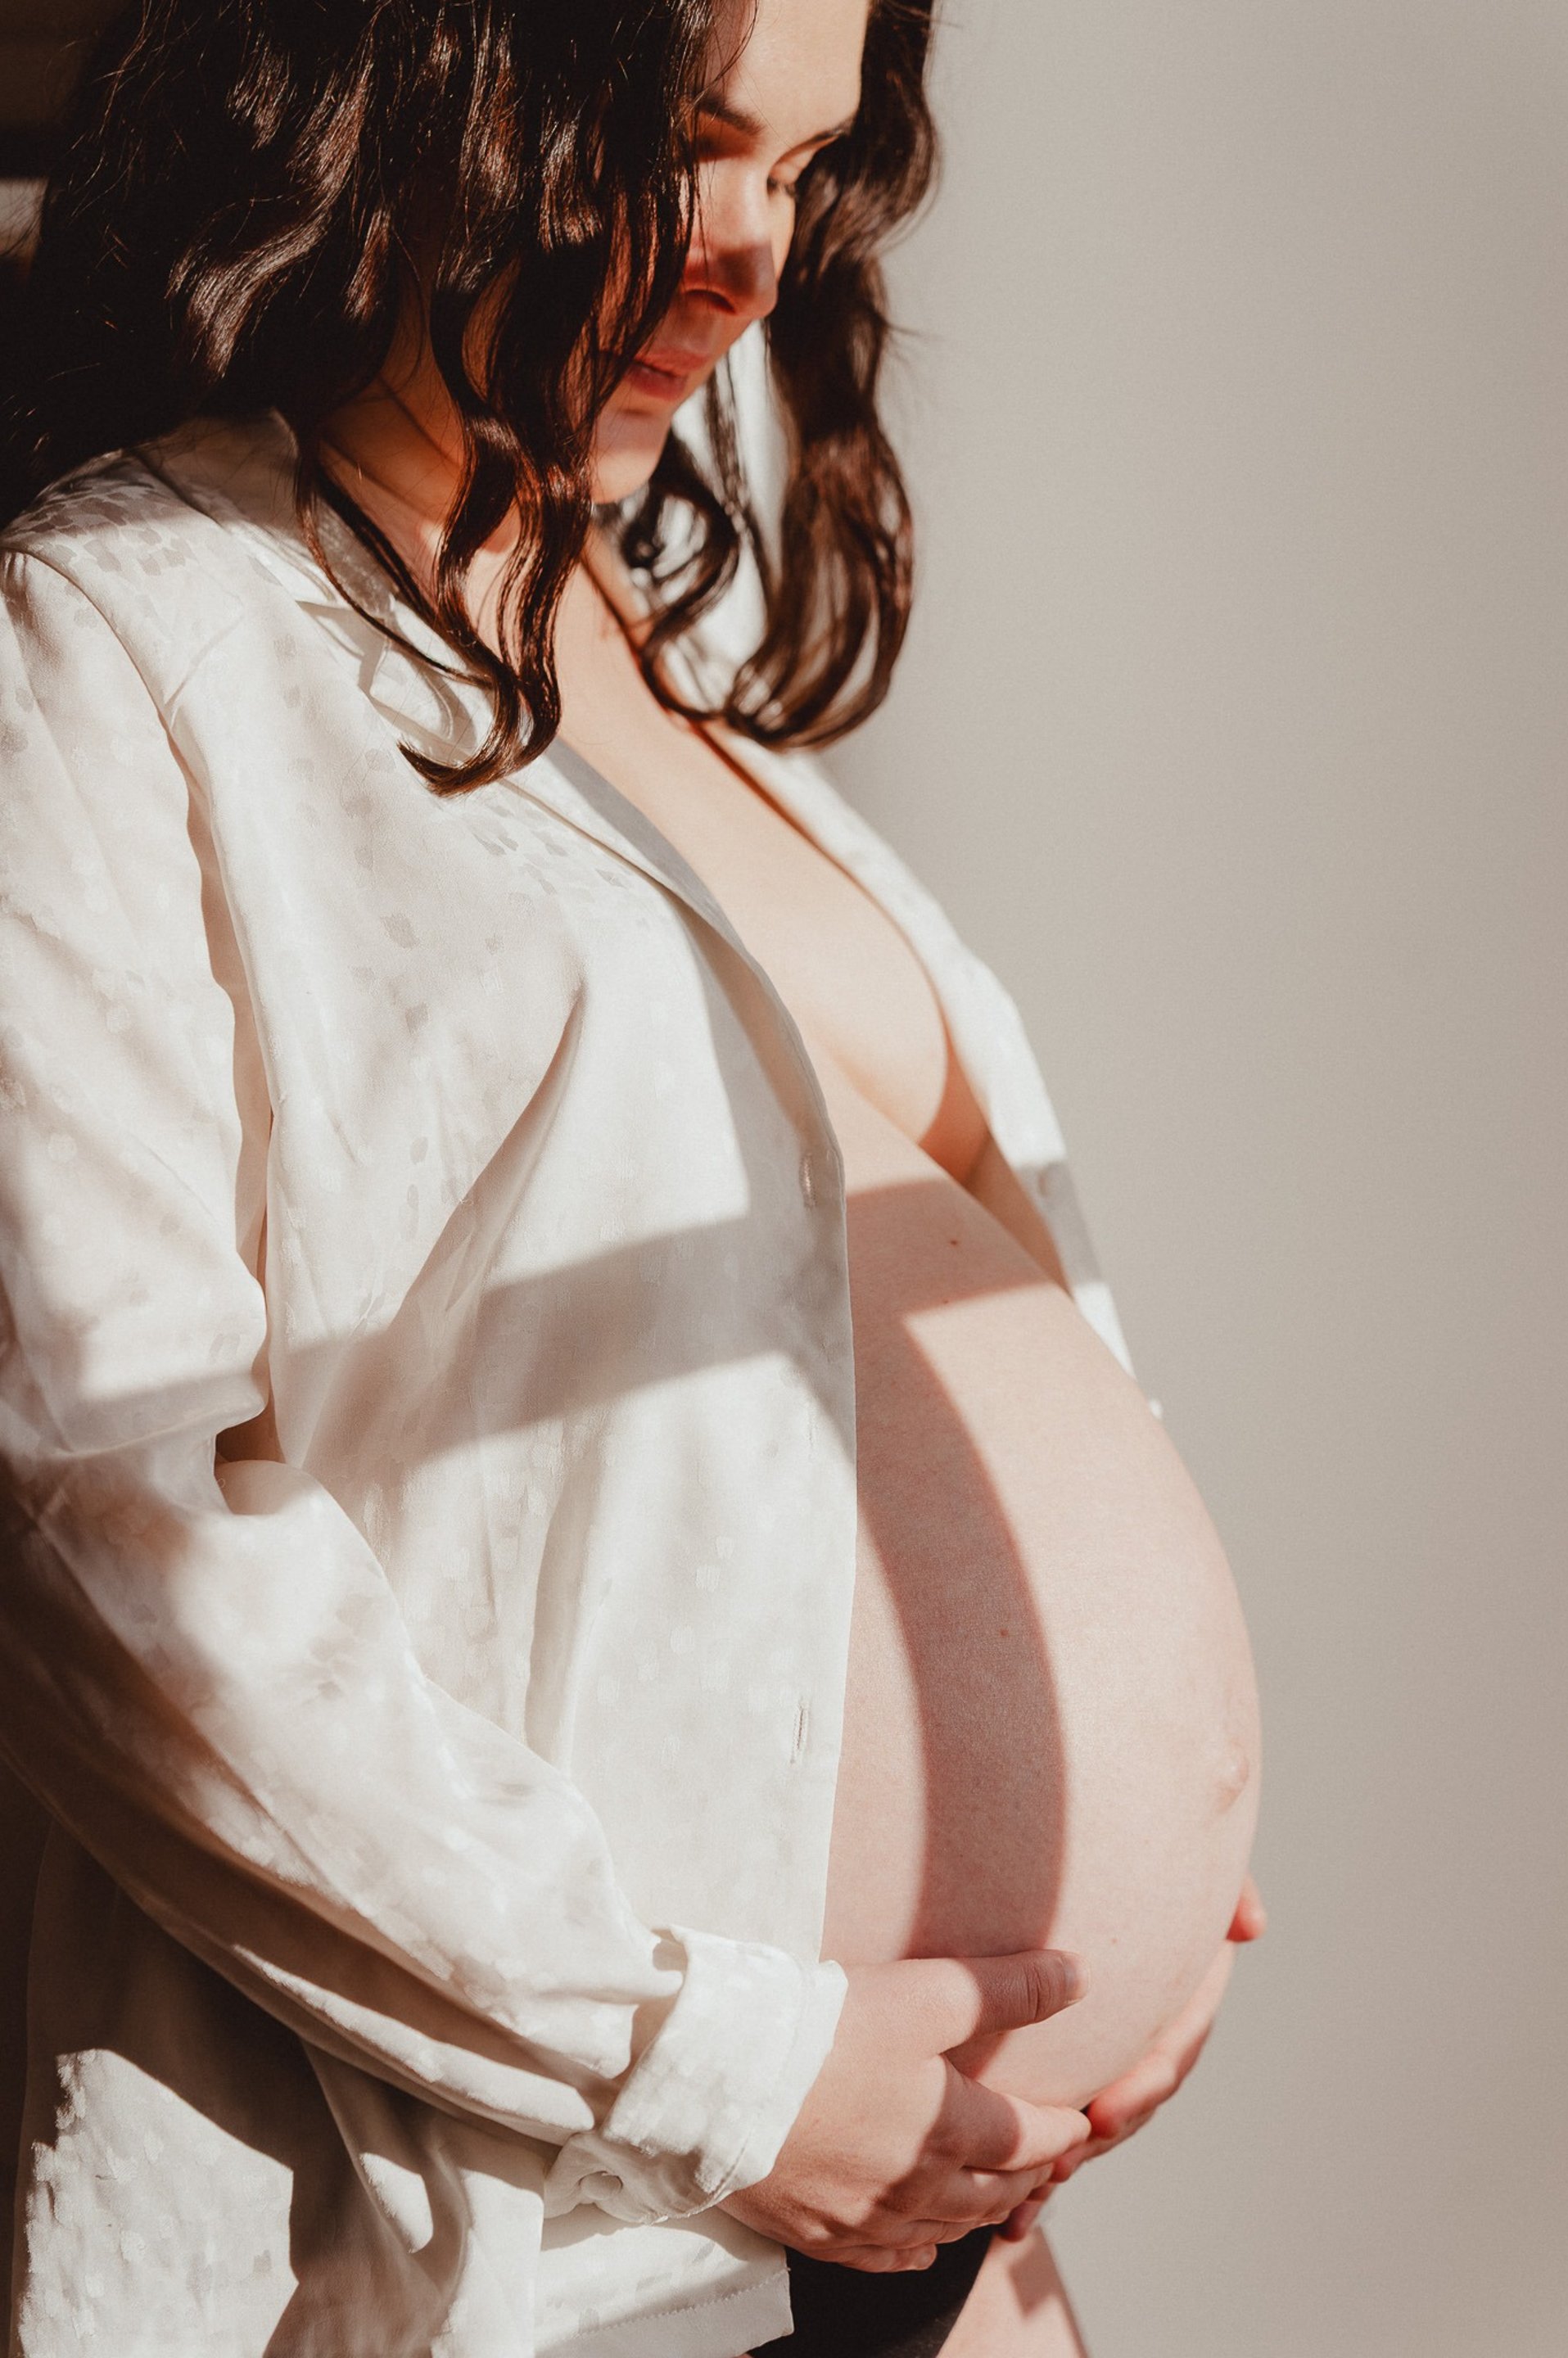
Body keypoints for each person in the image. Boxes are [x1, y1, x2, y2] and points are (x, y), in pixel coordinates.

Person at [0, 2, 1264, 2353]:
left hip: (931, 2227)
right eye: (690, 145)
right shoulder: (118, 637)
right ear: (425, 80)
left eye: (806, 162)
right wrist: (728, 2068)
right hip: (553, 2224)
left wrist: (1150, 1866)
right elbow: (105, 1527)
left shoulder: (636, 648)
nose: (754, 251)